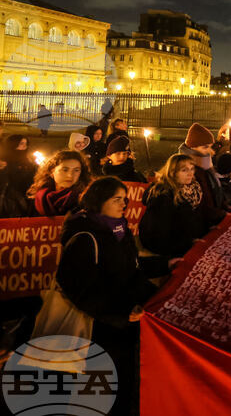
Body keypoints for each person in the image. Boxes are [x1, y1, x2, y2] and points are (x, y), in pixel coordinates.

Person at [56, 177, 163, 414]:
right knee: (103, 384)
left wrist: (168, 265)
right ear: (98, 201)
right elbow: (79, 288)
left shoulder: (118, 228)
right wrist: (119, 313)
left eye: (125, 199)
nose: (124, 204)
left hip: (124, 320)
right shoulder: (86, 236)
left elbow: (131, 268)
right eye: (117, 199)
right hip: (101, 326)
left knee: (122, 379)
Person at [140, 155, 217, 258]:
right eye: (184, 170)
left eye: (192, 169)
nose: (190, 173)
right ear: (173, 173)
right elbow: (158, 235)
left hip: (189, 244)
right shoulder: (163, 196)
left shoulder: (193, 188)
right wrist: (187, 244)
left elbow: (196, 216)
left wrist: (208, 227)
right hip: (172, 252)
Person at [179, 123, 231, 216]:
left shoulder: (206, 163)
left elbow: (214, 189)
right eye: (205, 147)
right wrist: (220, 214)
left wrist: (224, 206)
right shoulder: (188, 169)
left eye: (210, 146)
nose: (209, 151)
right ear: (192, 147)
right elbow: (200, 202)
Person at [30, 150, 91, 217]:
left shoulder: (87, 200)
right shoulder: (38, 199)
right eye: (65, 170)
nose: (70, 175)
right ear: (52, 172)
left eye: (76, 170)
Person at [0, 134, 35, 218]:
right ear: (13, 144)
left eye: (26, 144)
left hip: (28, 192)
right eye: (21, 143)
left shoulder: (27, 159)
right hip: (12, 195)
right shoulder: (6, 159)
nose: (24, 146)